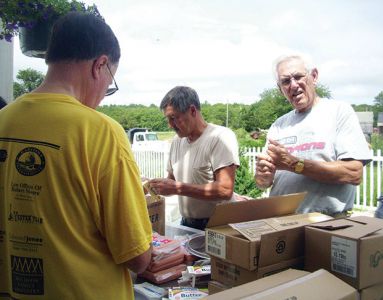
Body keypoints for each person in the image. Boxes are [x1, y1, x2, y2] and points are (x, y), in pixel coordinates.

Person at [0, 12, 152, 299]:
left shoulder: (3, 120)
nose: (101, 96)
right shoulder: (102, 132)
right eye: (110, 86)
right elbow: (138, 256)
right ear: (100, 65)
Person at [255, 55, 372, 217]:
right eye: (286, 81)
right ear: (280, 88)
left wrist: (293, 163)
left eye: (297, 77)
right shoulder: (279, 125)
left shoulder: (339, 112)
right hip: (280, 222)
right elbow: (263, 183)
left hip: (326, 223)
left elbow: (353, 173)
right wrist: (263, 177)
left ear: (314, 76)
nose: (293, 85)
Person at [148, 86, 240, 230]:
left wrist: (177, 188)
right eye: (168, 119)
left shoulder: (220, 137)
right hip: (187, 223)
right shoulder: (177, 141)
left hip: (218, 225)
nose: (170, 125)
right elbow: (171, 181)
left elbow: (225, 190)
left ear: (192, 111)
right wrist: (153, 185)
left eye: (173, 118)